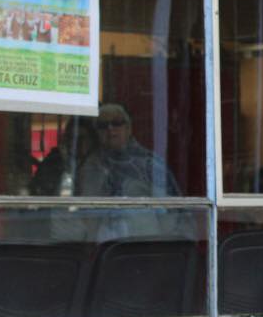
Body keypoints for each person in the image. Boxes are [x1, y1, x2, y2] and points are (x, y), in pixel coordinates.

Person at [76, 103, 185, 240]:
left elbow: (174, 214)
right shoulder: (90, 166)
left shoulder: (149, 164)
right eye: (103, 125)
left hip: (144, 245)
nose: (110, 129)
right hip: (102, 248)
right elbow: (83, 212)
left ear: (128, 128)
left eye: (117, 123)